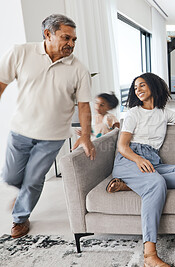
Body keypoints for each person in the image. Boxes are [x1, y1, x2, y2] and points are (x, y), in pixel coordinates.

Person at [0, 14, 95, 239]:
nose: (71, 44)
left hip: (53, 136)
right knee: (10, 176)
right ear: (48, 34)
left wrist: (87, 136)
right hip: (20, 130)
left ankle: (20, 218)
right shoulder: (20, 52)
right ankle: (24, 193)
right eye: (66, 38)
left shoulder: (78, 69)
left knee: (33, 178)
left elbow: (83, 106)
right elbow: (1, 83)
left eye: (74, 39)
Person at [110, 72, 175, 267]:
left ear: (153, 85)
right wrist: (138, 159)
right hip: (130, 159)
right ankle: (149, 255)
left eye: (142, 85)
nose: (138, 90)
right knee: (156, 183)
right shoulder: (134, 112)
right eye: (135, 88)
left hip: (153, 161)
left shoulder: (164, 112)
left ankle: (131, 185)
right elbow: (122, 146)